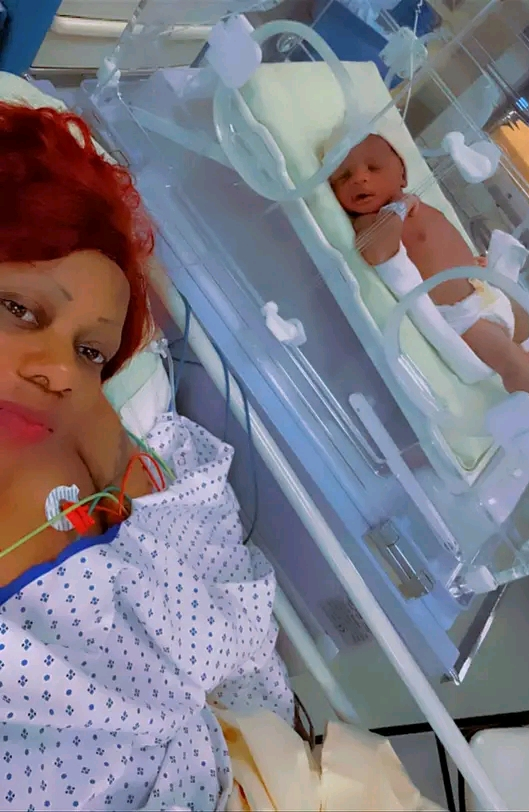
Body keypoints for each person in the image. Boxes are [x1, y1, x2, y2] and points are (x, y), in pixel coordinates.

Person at [0, 102, 293, 812]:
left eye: (91, 352)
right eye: (19, 310)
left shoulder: (100, 455)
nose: (61, 372)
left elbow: (241, 654)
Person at [330, 133, 529, 397]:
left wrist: (473, 262)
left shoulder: (420, 205)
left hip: (485, 289)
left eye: (373, 167)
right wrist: (399, 208)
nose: (359, 178)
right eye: (343, 176)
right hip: (466, 316)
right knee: (510, 362)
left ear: (403, 176)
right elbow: (377, 250)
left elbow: (443, 246)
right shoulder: (372, 221)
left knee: (524, 319)